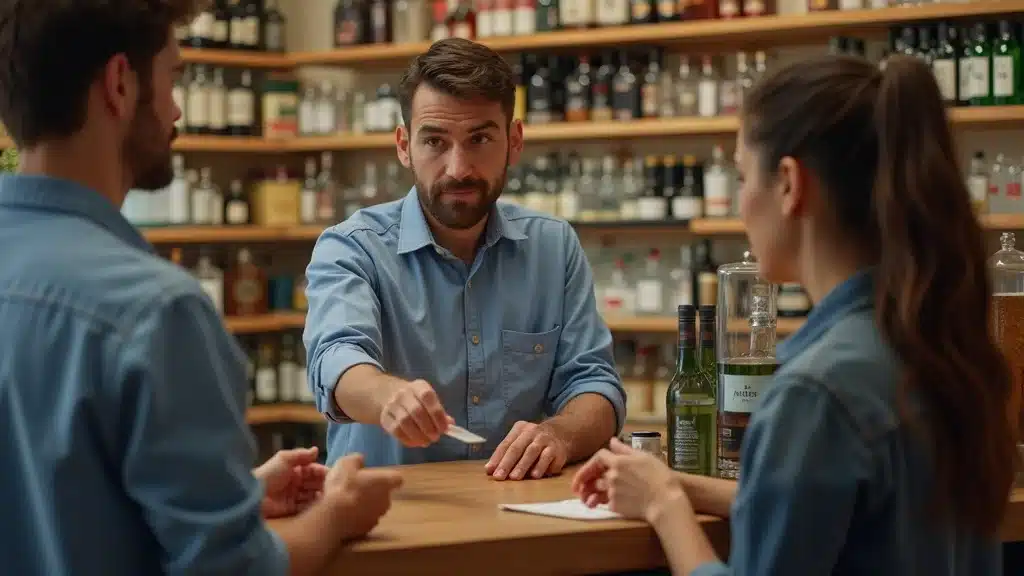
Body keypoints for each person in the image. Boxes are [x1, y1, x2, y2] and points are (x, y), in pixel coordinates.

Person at [572, 54, 1020, 575]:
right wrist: (674, 483)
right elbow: (844, 517)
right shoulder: (941, 346)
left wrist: (665, 508)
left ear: (789, 183)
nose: (738, 205)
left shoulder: (816, 391)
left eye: (741, 177)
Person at [0, 2, 402, 575]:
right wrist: (337, 513)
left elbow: (53, 496)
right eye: (172, 77)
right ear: (120, 84)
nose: (177, 108)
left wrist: (229, 497)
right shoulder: (155, 312)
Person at [303, 38, 625, 479]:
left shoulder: (553, 247)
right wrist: (385, 396)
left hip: (520, 518)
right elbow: (336, 359)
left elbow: (595, 385)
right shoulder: (352, 247)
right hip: (385, 521)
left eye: (479, 139)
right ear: (404, 146)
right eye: (435, 141)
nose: (458, 167)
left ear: (513, 141)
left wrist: (560, 435)